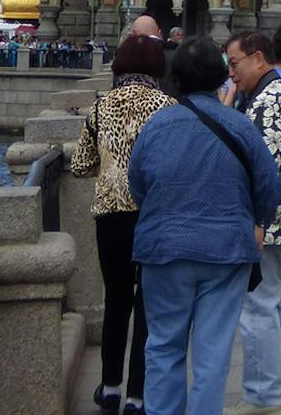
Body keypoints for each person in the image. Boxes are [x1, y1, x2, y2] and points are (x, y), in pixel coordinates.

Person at [127, 37, 281, 415]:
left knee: (163, 346)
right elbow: (269, 187)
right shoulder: (241, 127)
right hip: (226, 250)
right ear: (220, 77)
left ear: (174, 77)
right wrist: (256, 220)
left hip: (164, 250)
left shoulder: (156, 126)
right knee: (213, 355)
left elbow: (137, 185)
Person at [69, 32, 175, 415]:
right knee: (150, 305)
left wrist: (110, 169)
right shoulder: (169, 107)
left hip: (111, 215)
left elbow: (80, 165)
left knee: (116, 299)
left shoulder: (102, 106)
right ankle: (137, 395)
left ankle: (109, 386)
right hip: (153, 215)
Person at [227, 30, 281, 415]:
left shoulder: (268, 100)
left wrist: (256, 218)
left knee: (259, 305)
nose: (232, 73)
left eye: (235, 63)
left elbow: (262, 165)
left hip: (270, 217)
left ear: (257, 57)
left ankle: (262, 396)